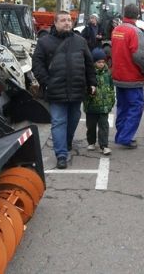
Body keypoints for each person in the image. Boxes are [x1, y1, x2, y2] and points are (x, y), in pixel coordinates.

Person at [32, 10, 97, 169]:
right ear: (55, 23)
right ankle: (61, 154)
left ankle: (67, 142)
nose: (67, 23)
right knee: (58, 122)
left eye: (69, 20)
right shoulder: (44, 42)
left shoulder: (80, 41)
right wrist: (47, 82)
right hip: (56, 91)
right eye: (63, 20)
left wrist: (92, 83)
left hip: (77, 89)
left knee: (74, 119)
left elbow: (89, 64)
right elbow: (37, 65)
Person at [111, 3, 144, 149]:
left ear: (124, 14)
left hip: (119, 75)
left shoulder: (116, 30)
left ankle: (120, 133)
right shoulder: (136, 32)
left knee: (123, 106)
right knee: (136, 106)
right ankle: (125, 138)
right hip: (132, 77)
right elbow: (139, 56)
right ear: (137, 15)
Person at [84, 48, 115, 156]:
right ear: (94, 62)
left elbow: (111, 88)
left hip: (104, 106)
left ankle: (104, 145)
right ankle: (91, 142)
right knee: (91, 126)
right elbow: (85, 89)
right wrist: (87, 98)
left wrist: (111, 100)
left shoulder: (108, 73)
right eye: (98, 62)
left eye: (103, 62)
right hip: (92, 106)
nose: (101, 64)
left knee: (104, 126)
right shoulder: (89, 74)